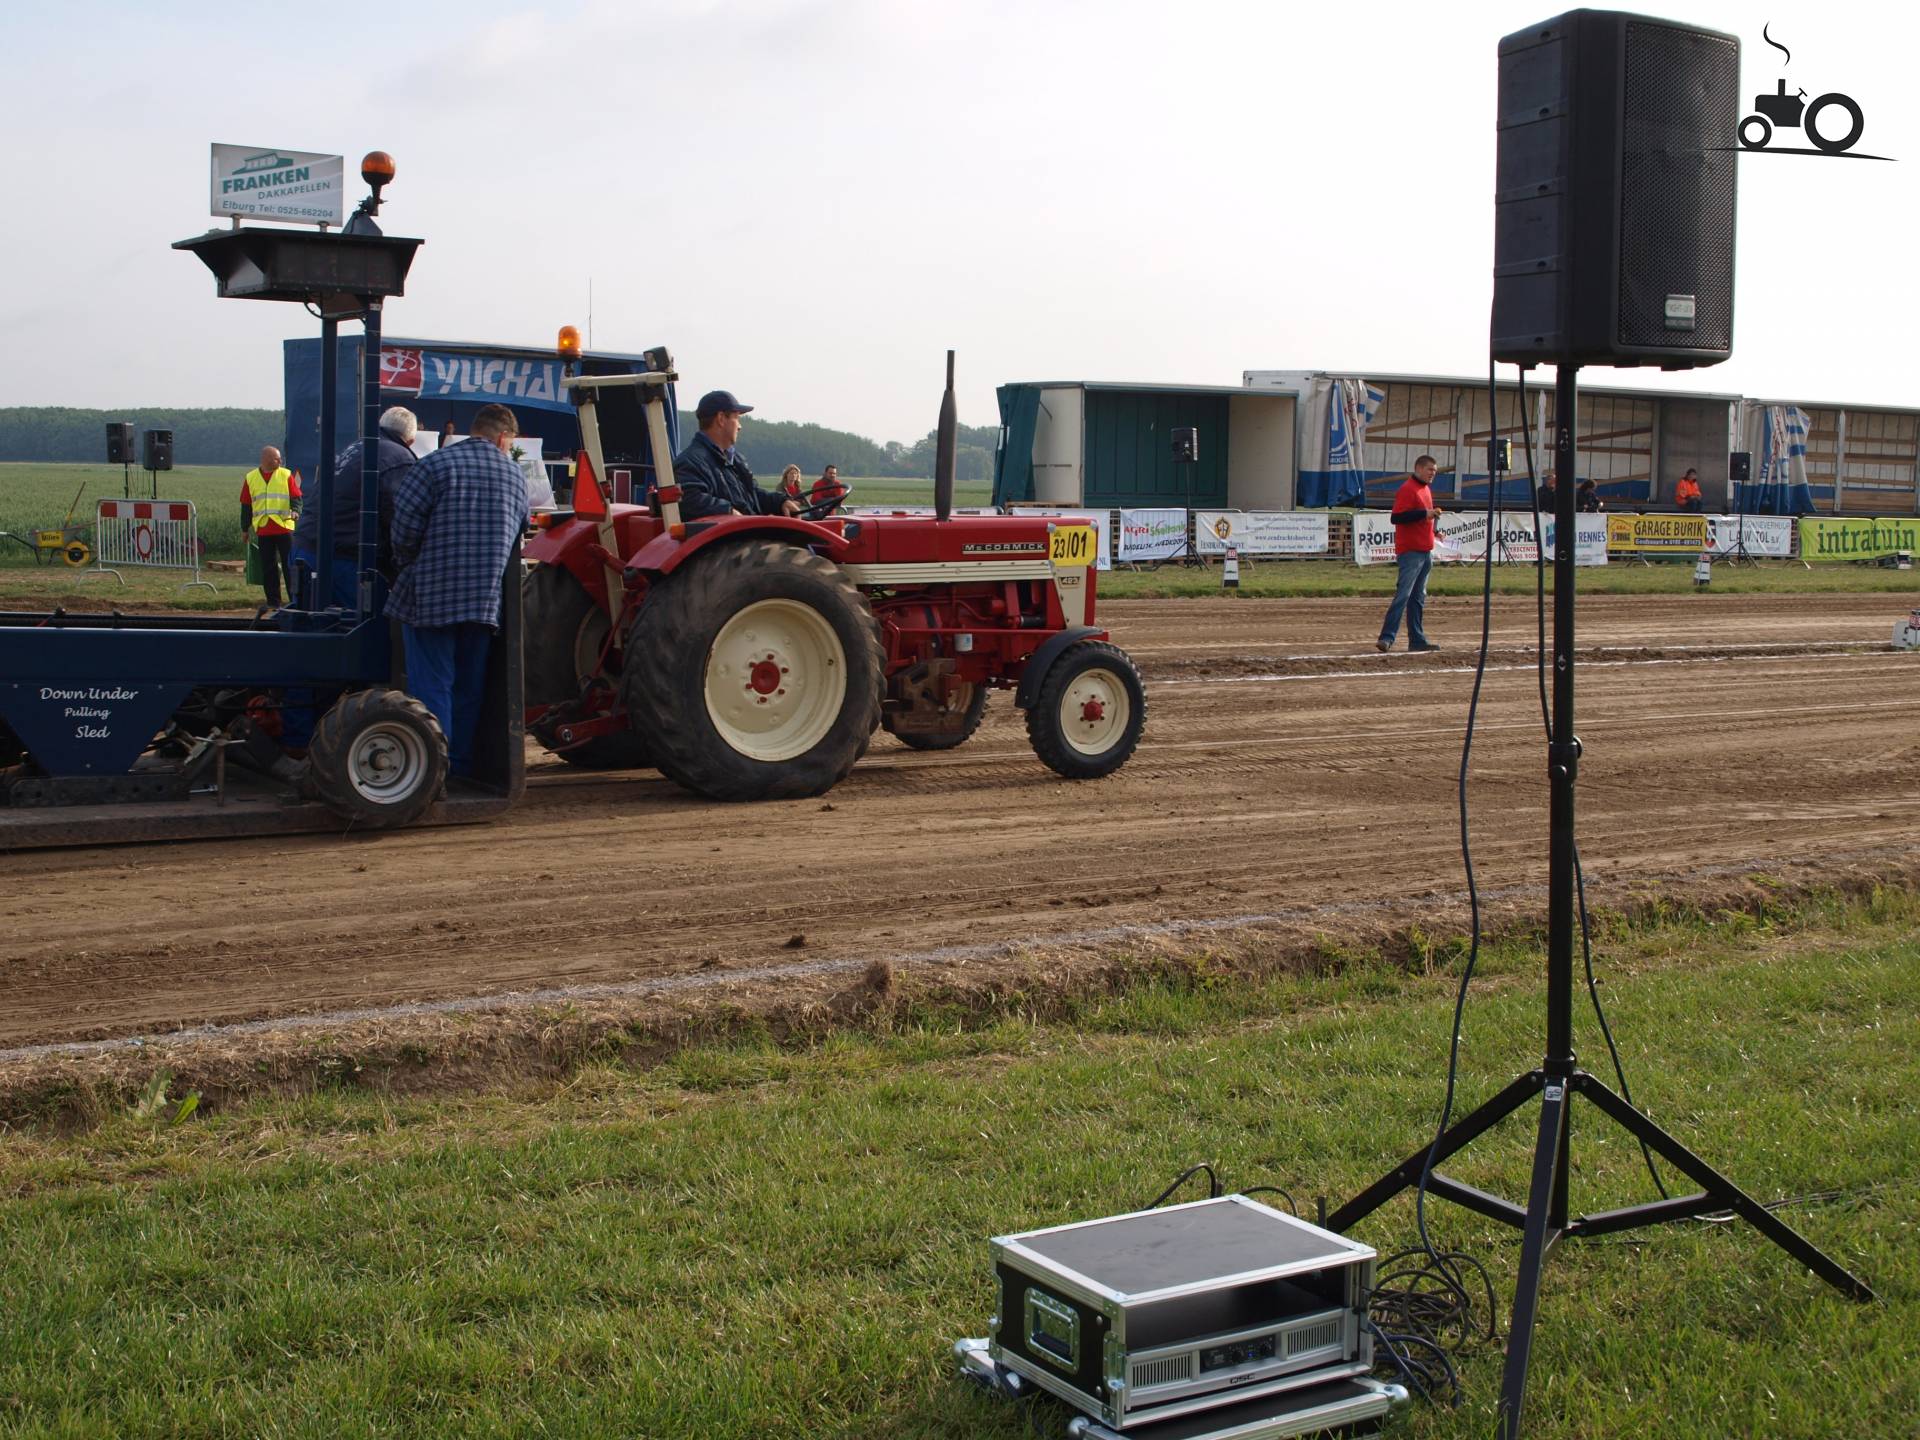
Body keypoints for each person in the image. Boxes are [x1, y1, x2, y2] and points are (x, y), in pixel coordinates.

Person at [385, 403, 531, 778]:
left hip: (431, 597)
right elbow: (518, 539)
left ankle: (432, 771)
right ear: (502, 437)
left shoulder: (433, 465)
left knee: (432, 687)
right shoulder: (516, 478)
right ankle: (460, 767)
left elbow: (403, 531)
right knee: (468, 690)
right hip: (484, 603)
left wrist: (409, 565)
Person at [292, 405, 419, 604]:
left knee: (311, 625)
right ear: (410, 440)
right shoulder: (400, 459)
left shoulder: (355, 448)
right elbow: (399, 520)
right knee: (364, 628)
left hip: (304, 548)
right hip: (344, 560)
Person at [673, 391, 802, 519]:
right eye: (737, 418)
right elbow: (689, 500)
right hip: (733, 538)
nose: (740, 426)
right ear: (721, 419)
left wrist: (780, 502)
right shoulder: (691, 462)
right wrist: (729, 511)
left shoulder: (734, 460)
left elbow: (753, 495)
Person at [1377, 455, 1442, 654]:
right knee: (1404, 595)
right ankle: (1387, 637)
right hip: (1411, 552)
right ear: (1419, 468)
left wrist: (1434, 531)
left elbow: (1423, 520)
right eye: (1430, 469)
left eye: (1435, 471)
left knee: (1417, 597)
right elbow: (1396, 517)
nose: (1433, 474)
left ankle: (1417, 639)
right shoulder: (1408, 489)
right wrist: (1425, 514)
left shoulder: (1425, 489)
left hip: (1425, 550)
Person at [241, 445, 302, 607]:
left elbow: (296, 498)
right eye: (277, 458)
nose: (280, 461)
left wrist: (295, 511)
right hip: (263, 529)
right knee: (268, 568)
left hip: (284, 528)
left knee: (289, 566)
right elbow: (246, 505)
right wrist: (244, 528)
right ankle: (273, 602)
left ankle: (294, 601)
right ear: (266, 459)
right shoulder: (251, 478)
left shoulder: (286, 474)